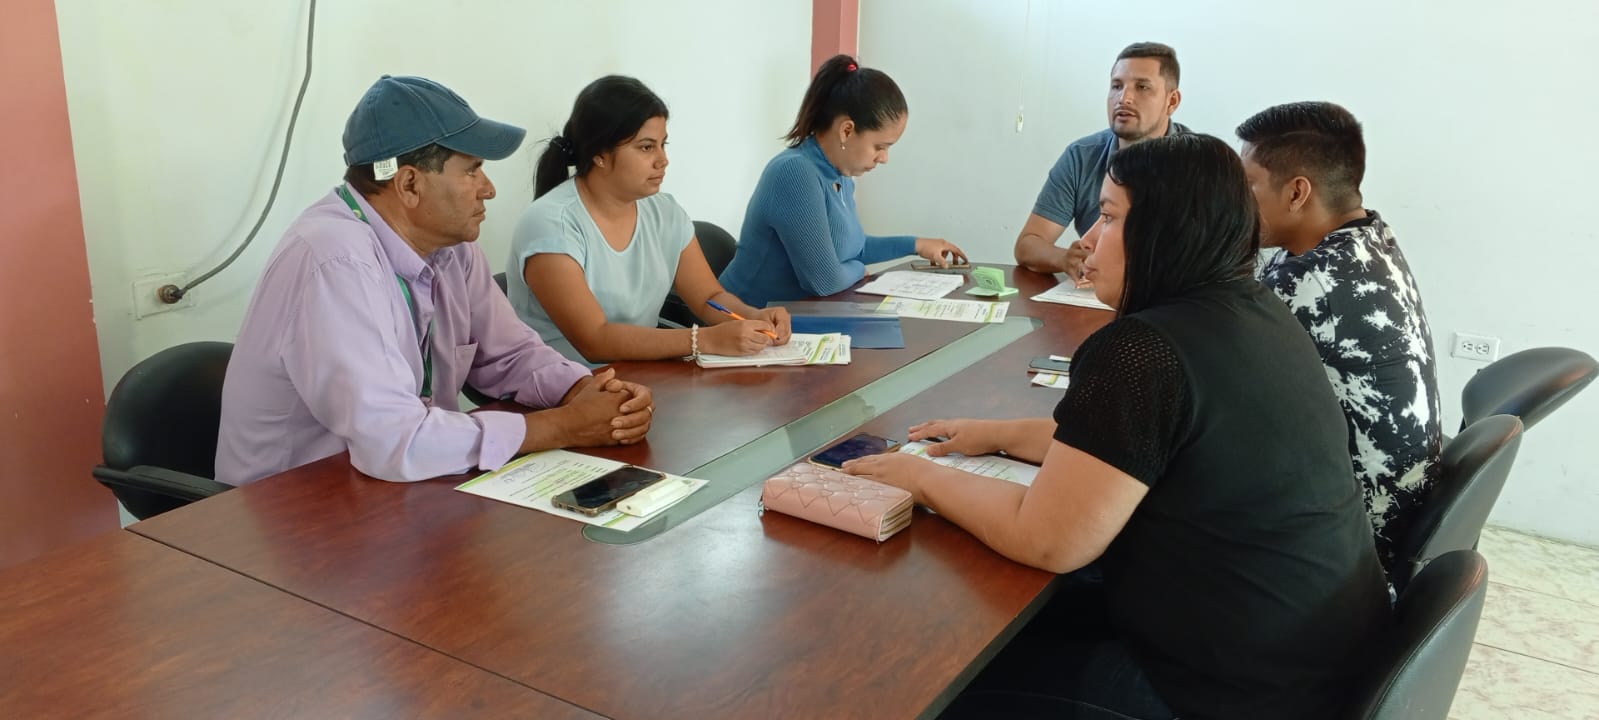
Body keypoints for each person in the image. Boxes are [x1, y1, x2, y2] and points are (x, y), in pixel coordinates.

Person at [846, 135, 1391, 719]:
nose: (1084, 240)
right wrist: (997, 434)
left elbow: (1047, 540)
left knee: (939, 682)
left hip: (1232, 692)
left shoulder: (1143, 350)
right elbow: (1128, 447)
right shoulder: (1251, 308)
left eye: (1107, 217)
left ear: (1163, 231)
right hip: (1316, 659)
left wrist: (919, 477)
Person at [216, 75, 653, 487]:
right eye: (472, 170)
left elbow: (509, 354)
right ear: (409, 184)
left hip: (391, 490)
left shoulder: (450, 246)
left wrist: (588, 392)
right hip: (292, 509)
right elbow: (393, 438)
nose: (489, 189)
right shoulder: (336, 259)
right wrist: (562, 426)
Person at [1237, 101, 1442, 581]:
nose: (1235, 201)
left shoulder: (1310, 282)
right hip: (1390, 523)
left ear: (1297, 192)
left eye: (1247, 186)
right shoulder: (1370, 238)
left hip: (1346, 552)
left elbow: (1209, 386)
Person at [510, 76, 791, 364]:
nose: (662, 159)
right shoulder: (550, 225)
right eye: (646, 147)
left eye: (663, 144)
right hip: (563, 381)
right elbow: (595, 339)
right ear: (600, 155)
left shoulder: (665, 212)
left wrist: (753, 316)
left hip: (638, 374)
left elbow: (708, 296)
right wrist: (704, 340)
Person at [718, 54, 966, 308]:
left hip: (799, 316)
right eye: (880, 147)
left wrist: (917, 245)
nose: (884, 159)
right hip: (745, 319)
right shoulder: (795, 173)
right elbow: (824, 282)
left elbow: (854, 248)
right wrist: (859, 270)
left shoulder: (839, 175)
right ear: (846, 130)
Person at [1013, 42, 1190, 281]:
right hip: (1097, 296)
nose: (1124, 98)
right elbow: (1028, 245)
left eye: (1142, 87)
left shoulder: (1201, 165)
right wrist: (1065, 259)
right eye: (1117, 86)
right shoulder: (1082, 156)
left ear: (1172, 101)